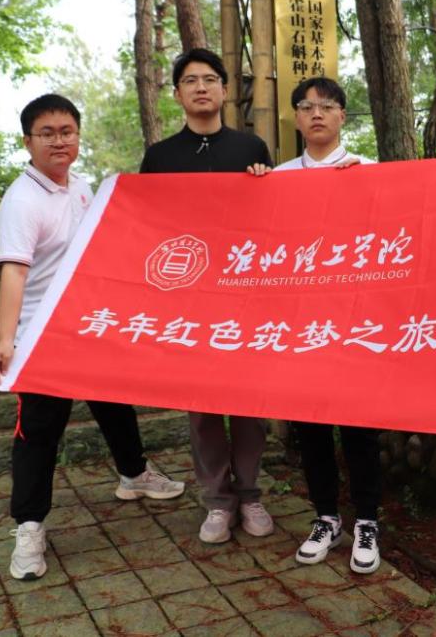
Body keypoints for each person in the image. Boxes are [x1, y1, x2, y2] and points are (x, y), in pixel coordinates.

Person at [0, 94, 185, 581]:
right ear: (28, 142)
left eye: (67, 131)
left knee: (114, 399)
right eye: (47, 133)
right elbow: (14, 272)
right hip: (42, 335)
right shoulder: (22, 200)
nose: (59, 141)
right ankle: (29, 527)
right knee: (38, 433)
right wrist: (6, 339)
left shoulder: (80, 187)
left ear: (77, 136)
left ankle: (134, 475)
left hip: (87, 322)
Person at [139, 48, 275, 544]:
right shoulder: (159, 158)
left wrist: (265, 184)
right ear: (177, 94)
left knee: (250, 402)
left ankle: (251, 493)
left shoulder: (251, 148)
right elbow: (148, 229)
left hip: (246, 295)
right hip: (189, 300)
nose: (201, 87)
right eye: (191, 80)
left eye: (210, 79)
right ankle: (217, 500)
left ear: (224, 90)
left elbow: (274, 222)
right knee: (202, 406)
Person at [273, 77, 381, 574]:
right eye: (306, 106)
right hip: (300, 326)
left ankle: (368, 521)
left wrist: (368, 190)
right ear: (296, 117)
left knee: (360, 427)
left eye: (327, 106)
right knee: (311, 427)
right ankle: (326, 518)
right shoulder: (278, 178)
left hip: (354, 323)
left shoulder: (368, 171)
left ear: (342, 116)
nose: (316, 113)